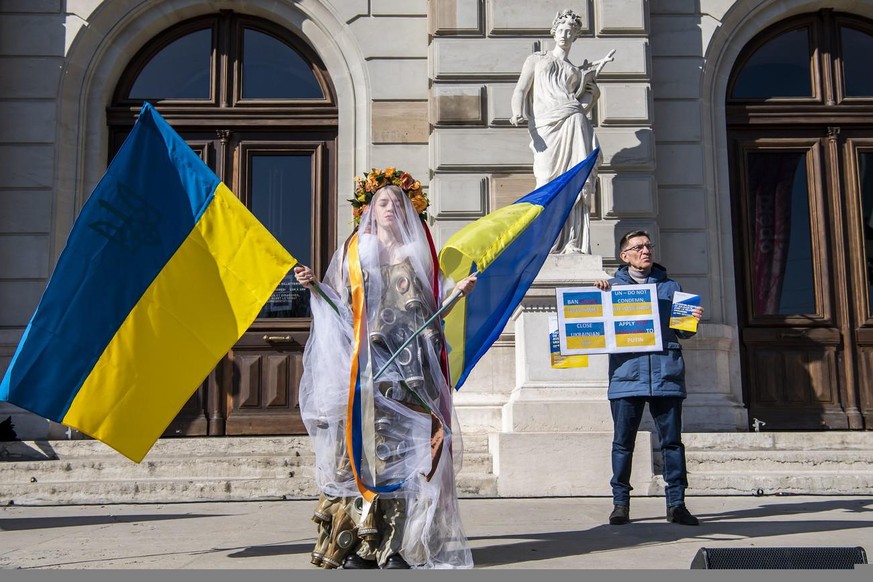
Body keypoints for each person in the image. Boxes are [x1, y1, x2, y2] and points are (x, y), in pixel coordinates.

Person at [293, 168, 477, 569]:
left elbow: (437, 305)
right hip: (368, 372)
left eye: (397, 203)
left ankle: (400, 548)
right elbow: (341, 307)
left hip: (412, 374)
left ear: (409, 210)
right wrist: (313, 287)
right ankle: (359, 546)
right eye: (382, 203)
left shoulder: (419, 254)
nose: (390, 208)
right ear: (369, 211)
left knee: (412, 458)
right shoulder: (355, 252)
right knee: (365, 455)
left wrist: (458, 291)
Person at [594, 230, 704, 527]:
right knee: (623, 443)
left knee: (672, 443)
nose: (645, 251)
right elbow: (593, 328)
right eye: (638, 247)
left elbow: (685, 332)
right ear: (624, 255)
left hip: (666, 374)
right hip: (626, 376)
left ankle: (677, 504)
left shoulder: (671, 287)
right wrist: (598, 296)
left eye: (648, 246)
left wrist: (692, 318)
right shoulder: (610, 288)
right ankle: (620, 505)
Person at [510, 9, 613, 254]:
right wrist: (517, 111)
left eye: (570, 32)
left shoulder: (575, 71)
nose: (564, 35)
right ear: (553, 31)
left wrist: (590, 86)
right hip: (546, 126)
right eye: (561, 30)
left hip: (574, 122)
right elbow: (521, 90)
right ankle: (545, 242)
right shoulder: (537, 59)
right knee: (545, 180)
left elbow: (581, 102)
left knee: (574, 182)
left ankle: (573, 242)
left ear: (575, 37)